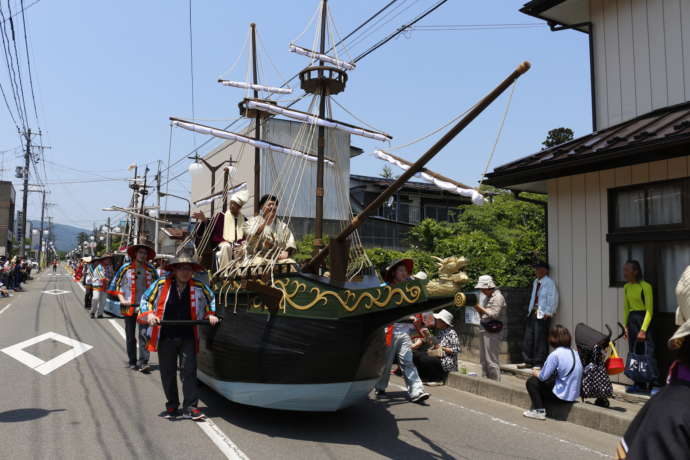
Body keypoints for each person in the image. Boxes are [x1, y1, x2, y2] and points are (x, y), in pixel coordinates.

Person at [139, 255, 219, 420]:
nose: (185, 272)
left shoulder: (198, 286)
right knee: (167, 372)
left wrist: (211, 314)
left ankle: (190, 406)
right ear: (174, 270)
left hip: (188, 335)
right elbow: (145, 299)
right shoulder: (161, 284)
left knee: (189, 371)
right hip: (165, 335)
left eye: (188, 268)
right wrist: (150, 314)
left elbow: (211, 298)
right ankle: (172, 405)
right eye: (181, 268)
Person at [374, 258, 430, 404]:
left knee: (407, 361)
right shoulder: (383, 289)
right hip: (388, 330)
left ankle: (417, 390)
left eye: (406, 270)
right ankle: (380, 388)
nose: (405, 273)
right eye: (401, 270)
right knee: (386, 363)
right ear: (393, 273)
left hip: (404, 332)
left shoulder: (409, 290)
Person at [110, 241, 158, 372]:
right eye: (141, 252)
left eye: (145, 253)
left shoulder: (152, 270)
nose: (143, 255)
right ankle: (132, 360)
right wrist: (121, 299)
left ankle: (143, 362)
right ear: (135, 254)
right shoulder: (125, 268)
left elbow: (157, 288)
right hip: (128, 305)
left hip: (145, 307)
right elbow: (116, 285)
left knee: (144, 334)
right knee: (130, 335)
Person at [523, 325, 583, 421]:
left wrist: (535, 373)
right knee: (551, 379)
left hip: (561, 397)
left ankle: (539, 411)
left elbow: (543, 377)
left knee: (532, 382)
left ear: (553, 338)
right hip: (573, 395)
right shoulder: (575, 353)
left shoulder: (555, 354)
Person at [622, 260, 659, 394]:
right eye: (624, 270)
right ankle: (638, 383)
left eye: (627, 270)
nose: (624, 273)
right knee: (635, 353)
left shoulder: (645, 286)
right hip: (632, 320)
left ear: (635, 271)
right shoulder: (626, 287)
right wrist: (625, 326)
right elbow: (626, 308)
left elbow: (649, 310)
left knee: (648, 352)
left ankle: (654, 384)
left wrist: (643, 330)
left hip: (644, 320)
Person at [520, 261, 559, 369]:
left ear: (545, 270)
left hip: (542, 313)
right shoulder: (535, 282)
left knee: (540, 338)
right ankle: (527, 360)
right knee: (528, 337)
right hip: (533, 311)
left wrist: (549, 312)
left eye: (539, 269)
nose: (537, 271)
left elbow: (553, 297)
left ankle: (539, 362)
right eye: (536, 269)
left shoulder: (549, 282)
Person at [242, 194, 296, 263]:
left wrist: (287, 252)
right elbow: (250, 236)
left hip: (277, 258)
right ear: (262, 207)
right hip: (257, 257)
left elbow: (290, 242)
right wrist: (265, 223)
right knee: (260, 263)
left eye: (274, 205)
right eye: (269, 204)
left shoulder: (283, 226)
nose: (272, 207)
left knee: (291, 263)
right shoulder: (253, 222)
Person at [413, 309, 460, 385]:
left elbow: (456, 350)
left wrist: (441, 347)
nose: (436, 321)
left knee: (425, 358)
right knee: (417, 355)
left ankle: (438, 379)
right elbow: (436, 345)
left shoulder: (452, 333)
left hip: (446, 360)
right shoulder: (441, 331)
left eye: (438, 320)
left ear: (444, 322)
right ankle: (424, 377)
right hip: (438, 355)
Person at [473, 275, 506, 381]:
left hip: (493, 330)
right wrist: (478, 309)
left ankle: (495, 383)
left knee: (491, 359)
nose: (481, 291)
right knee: (483, 359)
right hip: (484, 328)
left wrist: (479, 307)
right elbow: (483, 315)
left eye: (482, 288)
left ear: (488, 287)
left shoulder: (498, 297)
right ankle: (486, 381)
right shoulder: (487, 297)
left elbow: (495, 314)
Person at [91, 255, 114, 319]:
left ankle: (100, 314)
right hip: (97, 285)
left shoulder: (110, 267)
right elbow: (102, 277)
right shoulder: (99, 267)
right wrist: (108, 279)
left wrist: (111, 277)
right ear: (103, 260)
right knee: (96, 298)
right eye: (106, 259)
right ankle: (93, 312)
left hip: (105, 286)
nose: (108, 260)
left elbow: (112, 275)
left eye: (109, 259)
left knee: (103, 301)